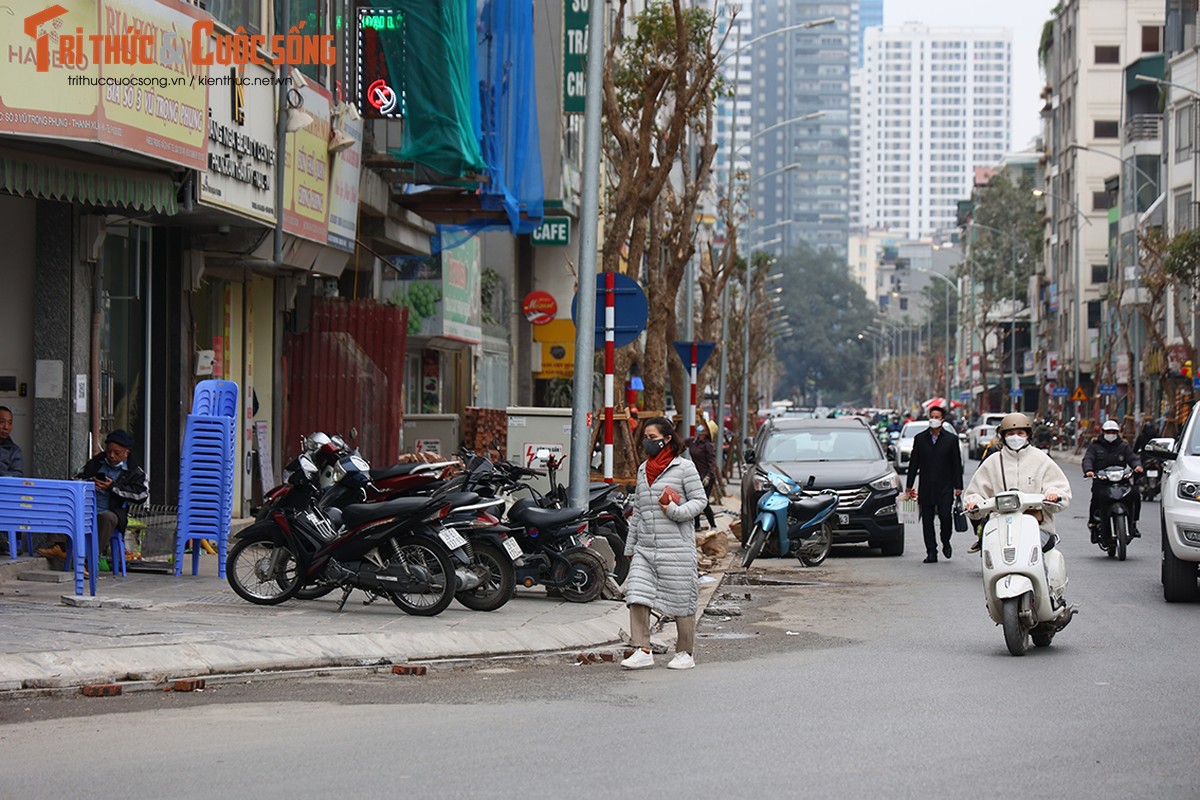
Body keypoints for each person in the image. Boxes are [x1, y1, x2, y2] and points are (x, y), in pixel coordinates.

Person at [621, 417, 707, 671]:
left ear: (667, 439)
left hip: (676, 548)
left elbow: (700, 501)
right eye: (645, 437)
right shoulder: (642, 469)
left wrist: (675, 511)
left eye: (652, 437)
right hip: (645, 548)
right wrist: (630, 546)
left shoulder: (684, 468)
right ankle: (642, 649)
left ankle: (685, 652)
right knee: (636, 595)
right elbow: (638, 511)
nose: (647, 442)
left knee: (682, 600)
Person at [36, 429, 149, 564]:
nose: (111, 456)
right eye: (109, 452)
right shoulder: (98, 461)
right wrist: (89, 483)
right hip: (86, 508)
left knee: (108, 518)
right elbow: (75, 478)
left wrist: (112, 488)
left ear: (126, 453)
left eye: (117, 453)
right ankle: (60, 547)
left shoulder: (135, 472)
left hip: (110, 512)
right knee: (65, 504)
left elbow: (142, 495)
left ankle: (90, 561)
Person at [963, 413, 1072, 546]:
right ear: (1003, 436)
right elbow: (976, 492)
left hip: (1037, 526)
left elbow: (1059, 487)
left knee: (1032, 548)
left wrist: (1053, 495)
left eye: (1020, 433)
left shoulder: (1041, 459)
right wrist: (974, 502)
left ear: (1028, 435)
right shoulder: (993, 461)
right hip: (999, 526)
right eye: (1010, 433)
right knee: (989, 548)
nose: (1016, 437)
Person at [904, 405, 963, 563]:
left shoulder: (951, 440)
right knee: (927, 520)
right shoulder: (920, 439)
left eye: (937, 417)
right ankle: (931, 551)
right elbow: (914, 464)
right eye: (932, 416)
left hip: (945, 486)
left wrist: (958, 486)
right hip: (926, 486)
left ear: (942, 420)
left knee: (945, 516)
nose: (934, 419)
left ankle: (946, 541)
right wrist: (909, 486)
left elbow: (957, 464)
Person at [1082, 419, 1143, 540]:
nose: (1111, 434)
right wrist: (1089, 470)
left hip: (1121, 481)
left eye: (1114, 432)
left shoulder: (1123, 446)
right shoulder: (1095, 446)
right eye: (1108, 432)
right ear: (1103, 432)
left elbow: (1132, 458)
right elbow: (1088, 459)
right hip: (1102, 482)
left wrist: (1137, 466)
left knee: (1135, 495)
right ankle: (1094, 525)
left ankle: (1134, 523)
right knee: (1096, 499)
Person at [687, 419, 718, 531]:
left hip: (706, 477)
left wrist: (708, 476)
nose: (700, 427)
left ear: (706, 433)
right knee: (694, 500)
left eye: (704, 427)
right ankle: (696, 526)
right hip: (696, 476)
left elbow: (712, 463)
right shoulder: (693, 442)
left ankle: (713, 525)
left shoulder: (708, 446)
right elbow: (680, 444)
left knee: (703, 502)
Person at [0, 406, 23, 477]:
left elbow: (17, 475)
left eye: (10, 423)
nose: (6, 427)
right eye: (2, 422)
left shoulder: (14, 451)